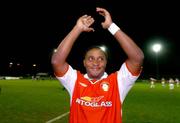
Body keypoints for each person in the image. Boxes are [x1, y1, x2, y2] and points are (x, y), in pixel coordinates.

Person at [51, 7, 144, 123]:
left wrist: (111, 26)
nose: (96, 63)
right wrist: (77, 28)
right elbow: (56, 61)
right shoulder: (74, 80)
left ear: (106, 63)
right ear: (84, 62)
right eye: (91, 59)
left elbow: (137, 58)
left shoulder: (118, 82)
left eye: (101, 59)